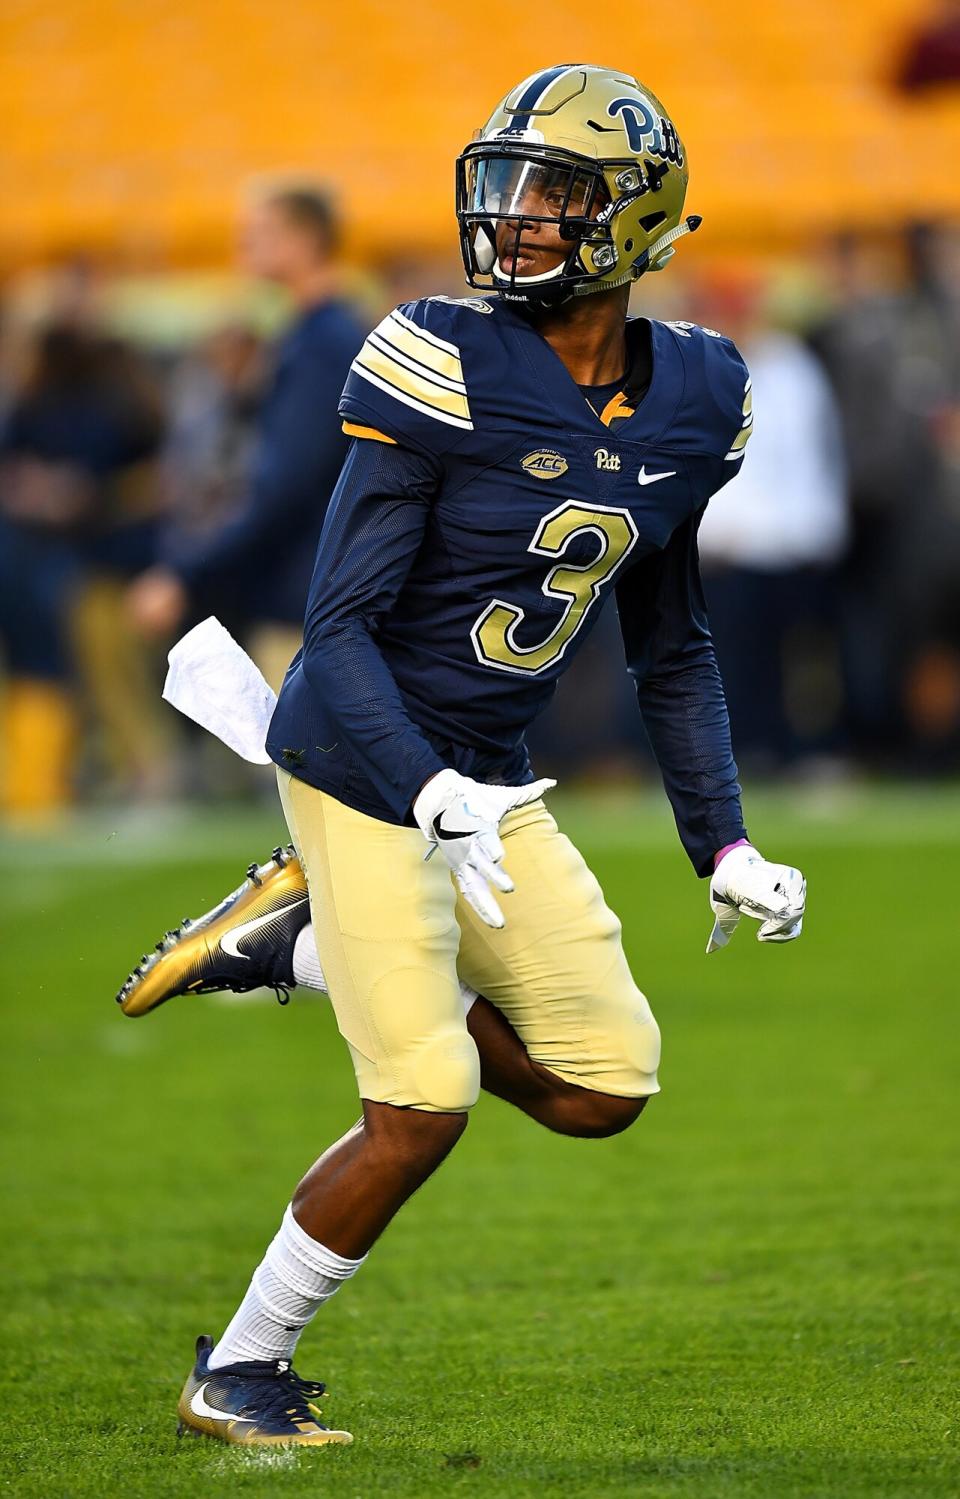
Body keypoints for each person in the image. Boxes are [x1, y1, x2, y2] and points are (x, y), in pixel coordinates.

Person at [115, 65, 807, 1448]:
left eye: (554, 193)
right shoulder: (437, 353)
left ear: (636, 215)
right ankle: (237, 1371)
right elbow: (339, 626)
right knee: (421, 1102)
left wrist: (724, 842)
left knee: (603, 1084)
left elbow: (670, 645)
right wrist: (425, 789)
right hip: (362, 756)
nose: (519, 219)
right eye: (507, 187)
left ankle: (293, 944)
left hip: (484, 768)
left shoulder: (701, 395)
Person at [127, 185, 365, 690]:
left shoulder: (323, 344)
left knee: (300, 763)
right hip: (316, 587)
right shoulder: (313, 334)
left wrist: (186, 573)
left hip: (311, 594)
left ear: (303, 240)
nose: (243, 247)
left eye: (257, 234)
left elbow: (285, 486)